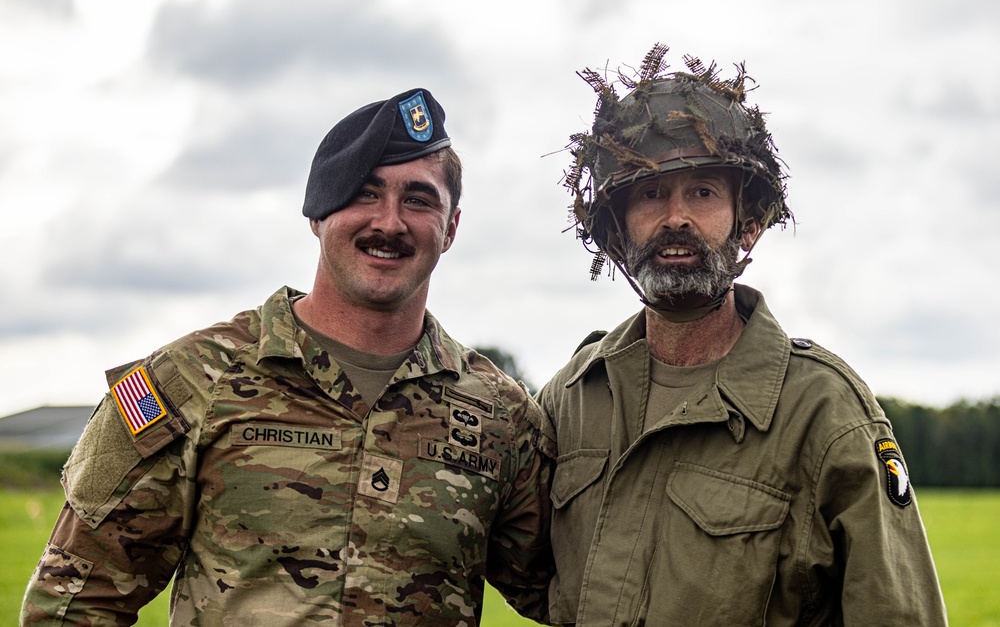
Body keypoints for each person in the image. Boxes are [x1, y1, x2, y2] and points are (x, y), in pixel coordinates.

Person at [21, 88, 553, 626]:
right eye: (365, 194)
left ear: (452, 228)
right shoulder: (191, 381)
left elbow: (575, 593)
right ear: (318, 214)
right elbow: (74, 602)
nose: (390, 222)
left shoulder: (502, 416)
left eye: (418, 200)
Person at [537, 44, 948, 625]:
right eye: (651, 193)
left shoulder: (825, 414)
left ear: (747, 224)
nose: (675, 216)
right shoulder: (571, 401)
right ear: (616, 227)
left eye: (702, 192)